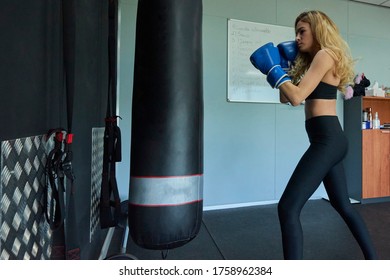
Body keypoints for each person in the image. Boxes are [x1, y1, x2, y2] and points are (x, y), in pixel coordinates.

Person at [250, 10, 377, 260]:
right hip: (328, 139)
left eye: (302, 31)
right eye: (295, 32)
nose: (297, 37)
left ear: (318, 30)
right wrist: (285, 68)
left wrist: (274, 70)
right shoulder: (313, 60)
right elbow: (285, 97)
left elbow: (296, 98)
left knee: (287, 207)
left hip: (327, 140)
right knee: (343, 206)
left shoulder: (325, 54)